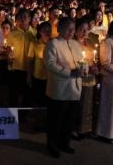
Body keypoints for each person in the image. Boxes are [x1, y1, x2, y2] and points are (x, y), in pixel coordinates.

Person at [44, 17, 83, 158]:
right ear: (59, 29)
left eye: (73, 29)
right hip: (59, 89)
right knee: (56, 119)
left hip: (74, 88)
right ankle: (52, 145)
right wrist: (68, 72)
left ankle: (64, 143)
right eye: (68, 28)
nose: (71, 32)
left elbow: (81, 60)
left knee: (69, 119)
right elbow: (50, 63)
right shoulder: (53, 44)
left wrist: (86, 68)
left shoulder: (75, 44)